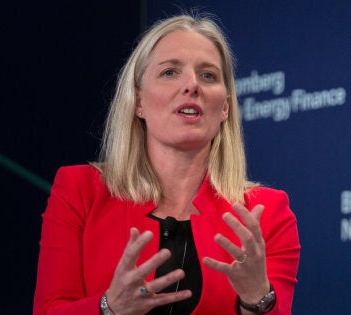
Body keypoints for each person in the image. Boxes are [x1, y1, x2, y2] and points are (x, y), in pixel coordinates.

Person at [33, 13, 300, 315]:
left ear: (224, 107)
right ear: (138, 102)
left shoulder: (265, 213)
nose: (192, 85)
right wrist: (110, 308)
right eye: (170, 72)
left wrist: (256, 298)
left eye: (208, 75)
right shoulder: (80, 191)